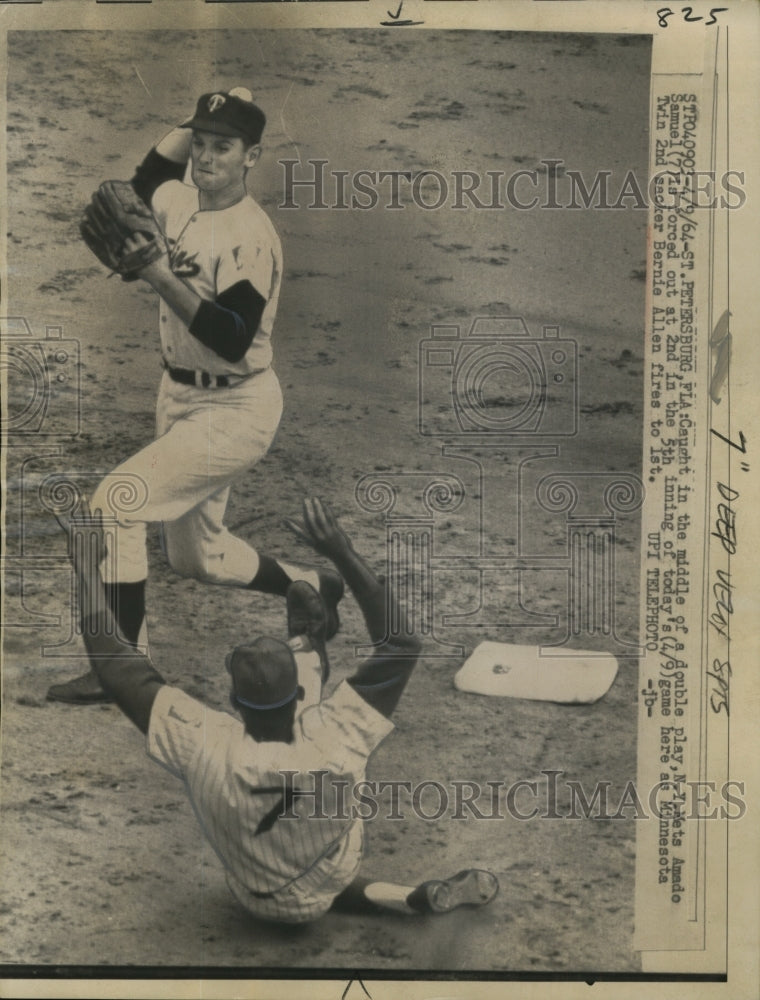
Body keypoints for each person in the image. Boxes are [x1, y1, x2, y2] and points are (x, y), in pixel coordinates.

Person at [56, 495, 499, 923]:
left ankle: (404, 897)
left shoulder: (203, 741)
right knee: (327, 818)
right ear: (301, 701)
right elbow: (402, 644)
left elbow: (116, 666)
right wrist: (341, 551)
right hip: (333, 863)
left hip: (254, 895)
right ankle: (307, 647)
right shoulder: (334, 731)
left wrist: (86, 570)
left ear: (232, 704)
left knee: (288, 862)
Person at [49, 88, 342, 704]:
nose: (207, 159)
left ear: (252, 157)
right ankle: (313, 585)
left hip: (237, 409)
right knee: (198, 558)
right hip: (178, 398)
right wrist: (198, 119)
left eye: (223, 147)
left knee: (116, 503)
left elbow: (231, 338)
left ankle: (124, 672)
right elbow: (146, 176)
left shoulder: (251, 237)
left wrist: (155, 272)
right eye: (201, 146)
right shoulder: (177, 198)